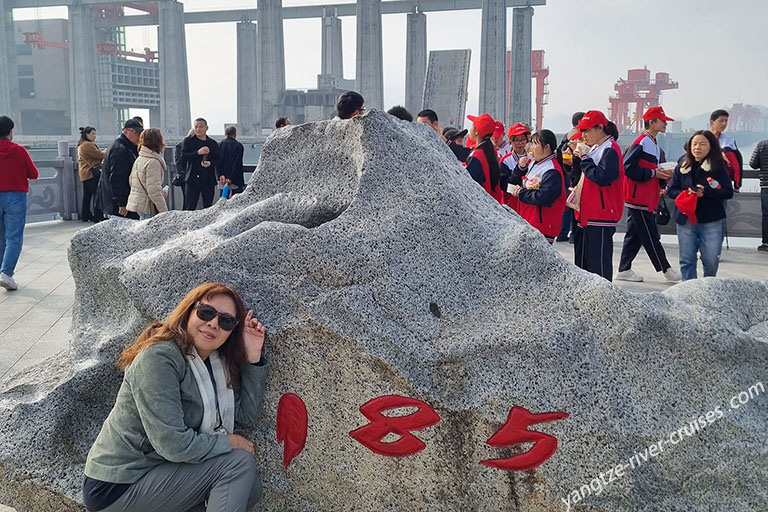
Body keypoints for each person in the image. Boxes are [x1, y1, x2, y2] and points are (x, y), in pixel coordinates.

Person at [83, 283, 267, 512]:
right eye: (206, 312)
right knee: (238, 465)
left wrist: (253, 357)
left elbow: (246, 415)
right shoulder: (159, 358)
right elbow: (172, 444)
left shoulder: (216, 364)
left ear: (232, 331)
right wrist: (229, 442)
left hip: (162, 471)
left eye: (226, 321)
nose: (213, 323)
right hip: (120, 484)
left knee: (250, 487)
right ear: (189, 310)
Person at [615, 106, 681, 283]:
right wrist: (654, 174)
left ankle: (624, 269)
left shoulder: (651, 142)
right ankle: (666, 270)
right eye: (662, 120)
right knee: (651, 235)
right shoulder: (642, 142)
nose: (666, 123)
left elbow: (646, 169)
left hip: (644, 197)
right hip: (639, 198)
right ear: (652, 122)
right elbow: (628, 168)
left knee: (635, 235)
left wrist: (659, 176)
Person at [667, 130, 733, 280]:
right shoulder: (682, 165)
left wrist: (707, 192)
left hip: (711, 220)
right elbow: (671, 190)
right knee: (687, 259)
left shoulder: (717, 167)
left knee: (710, 259)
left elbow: (728, 192)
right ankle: (688, 291)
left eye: (702, 144)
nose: (697, 147)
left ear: (711, 146)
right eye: (694, 144)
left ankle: (708, 289)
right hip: (686, 220)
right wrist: (686, 194)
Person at [571, 110, 624, 281]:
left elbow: (602, 177)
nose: (583, 135)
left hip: (601, 214)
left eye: (586, 130)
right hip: (588, 213)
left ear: (600, 128)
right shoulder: (596, 148)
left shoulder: (611, 149)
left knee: (598, 266)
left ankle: (604, 302)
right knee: (585, 264)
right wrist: (578, 159)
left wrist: (585, 158)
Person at [506, 129, 566, 243]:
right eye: (531, 143)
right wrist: (520, 169)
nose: (530, 147)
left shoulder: (552, 169)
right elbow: (513, 181)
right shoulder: (534, 163)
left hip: (541, 225)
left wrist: (521, 193)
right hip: (529, 221)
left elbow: (544, 197)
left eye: (534, 143)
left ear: (546, 147)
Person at [0, 116, 38, 291]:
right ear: (10, 132)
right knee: (13, 237)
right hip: (16, 196)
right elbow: (34, 173)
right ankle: (6, 274)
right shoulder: (19, 150)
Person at [97, 118, 142, 220]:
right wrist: (121, 203)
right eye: (136, 132)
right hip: (119, 204)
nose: (139, 136)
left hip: (122, 200)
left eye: (140, 133)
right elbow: (116, 178)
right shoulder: (120, 150)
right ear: (125, 131)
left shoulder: (126, 146)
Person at [127, 128, 168, 220]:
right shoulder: (153, 162)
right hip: (147, 205)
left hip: (139, 204)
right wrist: (164, 212)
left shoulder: (140, 158)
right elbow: (153, 190)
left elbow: (131, 181)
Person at [181, 118, 219, 210]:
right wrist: (197, 153)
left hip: (208, 179)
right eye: (196, 127)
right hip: (192, 179)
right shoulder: (188, 141)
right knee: (190, 206)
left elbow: (218, 159)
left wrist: (210, 163)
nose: (198, 129)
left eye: (201, 127)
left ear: (206, 128)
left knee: (208, 207)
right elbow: (183, 157)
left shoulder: (212, 143)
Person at [465, 113, 503, 204]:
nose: (470, 129)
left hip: (481, 204)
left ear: (476, 131)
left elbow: (470, 185)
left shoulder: (476, 155)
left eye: (471, 126)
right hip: (494, 202)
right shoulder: (491, 150)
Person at [499, 122, 531, 212]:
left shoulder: (533, 158)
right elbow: (504, 186)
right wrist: (519, 170)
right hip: (511, 204)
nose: (520, 143)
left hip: (528, 204)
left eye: (523, 139)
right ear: (511, 141)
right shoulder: (506, 160)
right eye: (516, 140)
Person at [77, 126, 106, 223]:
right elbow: (100, 155)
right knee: (97, 195)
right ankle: (98, 216)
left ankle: (86, 215)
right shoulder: (87, 145)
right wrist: (107, 151)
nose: (94, 136)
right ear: (87, 134)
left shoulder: (82, 144)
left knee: (87, 196)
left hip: (85, 173)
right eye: (92, 134)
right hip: (91, 173)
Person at [710, 109, 742, 190]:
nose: (724, 124)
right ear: (712, 122)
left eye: (726, 121)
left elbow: (737, 163)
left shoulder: (729, 141)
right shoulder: (703, 138)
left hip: (724, 180)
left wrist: (737, 183)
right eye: (721, 121)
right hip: (705, 179)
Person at [749, 138, 768, 252]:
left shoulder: (762, 145)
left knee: (766, 215)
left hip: (766, 185)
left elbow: (753, 164)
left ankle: (765, 243)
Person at [218, 125, 245, 196]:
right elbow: (237, 163)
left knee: (222, 201)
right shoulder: (239, 146)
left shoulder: (219, 145)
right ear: (235, 135)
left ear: (225, 134)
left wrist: (221, 174)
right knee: (237, 203)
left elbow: (218, 162)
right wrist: (230, 177)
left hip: (222, 179)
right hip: (236, 179)